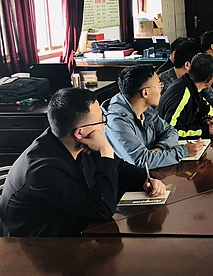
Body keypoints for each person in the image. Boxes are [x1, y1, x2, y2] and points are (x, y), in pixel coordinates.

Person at [0, 88, 166, 237]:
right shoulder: (42, 169)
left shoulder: (72, 140)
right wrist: (106, 151)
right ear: (80, 132)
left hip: (73, 227)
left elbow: (120, 168)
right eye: (102, 120)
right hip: (36, 246)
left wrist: (146, 179)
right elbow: (101, 209)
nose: (105, 124)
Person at [102, 65, 204, 169]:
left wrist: (160, 148)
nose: (161, 90)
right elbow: (143, 161)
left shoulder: (146, 110)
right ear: (145, 93)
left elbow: (171, 131)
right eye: (159, 86)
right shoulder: (117, 122)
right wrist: (184, 151)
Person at [158, 54, 213, 139]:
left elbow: (207, 109)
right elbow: (171, 132)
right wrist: (205, 131)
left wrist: (208, 120)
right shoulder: (183, 94)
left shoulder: (190, 86)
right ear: (211, 79)